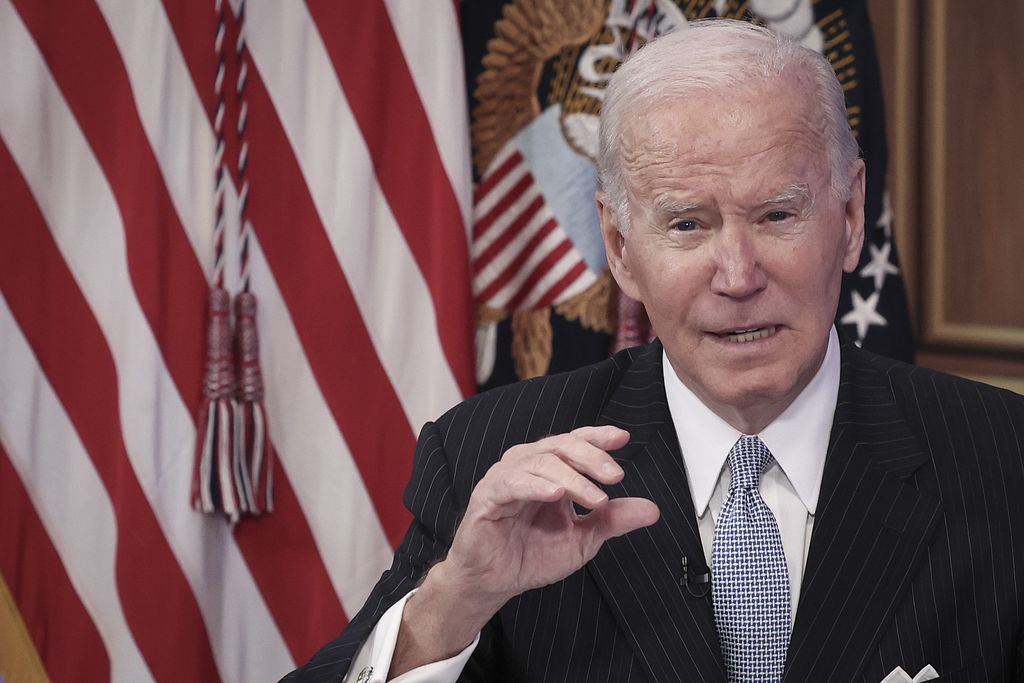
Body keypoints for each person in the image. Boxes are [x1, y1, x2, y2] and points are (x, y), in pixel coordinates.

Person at [285, 19, 1024, 683]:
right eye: (686, 226)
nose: (737, 276)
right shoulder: (487, 454)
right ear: (620, 247)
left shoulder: (1004, 460)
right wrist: (451, 608)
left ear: (853, 214)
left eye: (776, 214)